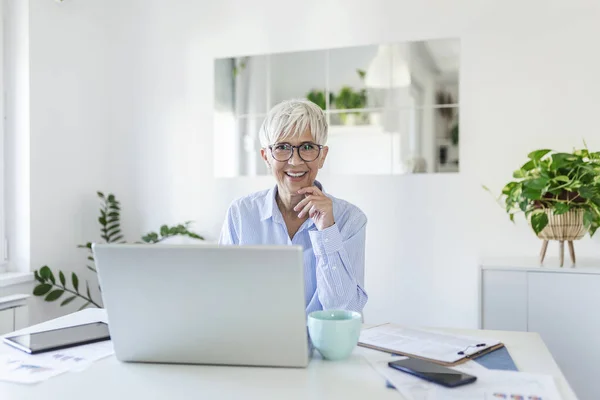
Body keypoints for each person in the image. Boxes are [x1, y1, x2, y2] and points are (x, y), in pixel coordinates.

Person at [219, 99, 368, 315]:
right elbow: (223, 298)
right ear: (266, 157)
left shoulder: (350, 219)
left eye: (307, 147)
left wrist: (327, 231)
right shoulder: (241, 214)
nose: (295, 161)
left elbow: (344, 311)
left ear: (322, 156)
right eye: (282, 148)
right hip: (257, 346)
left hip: (325, 348)